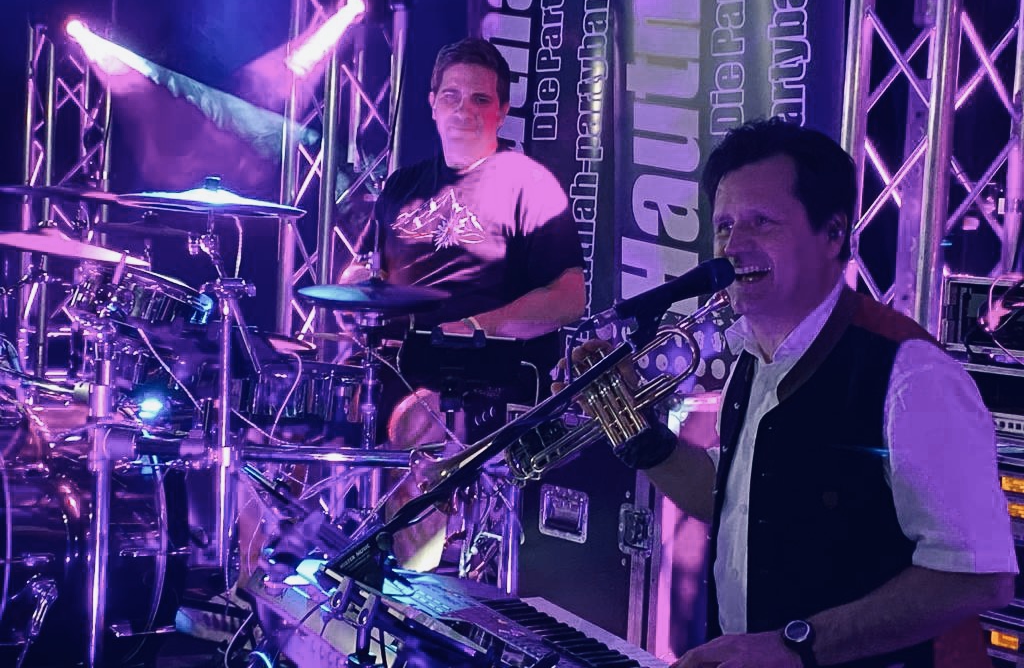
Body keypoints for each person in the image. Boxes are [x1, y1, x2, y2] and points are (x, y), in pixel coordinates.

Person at [572, 118, 1015, 667]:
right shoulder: (752, 360)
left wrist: (793, 646)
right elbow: (732, 500)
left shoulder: (911, 374)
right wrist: (635, 432)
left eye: (762, 222)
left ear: (833, 234)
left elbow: (978, 578)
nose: (734, 247)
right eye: (724, 226)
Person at [344, 37, 586, 569]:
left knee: (415, 422)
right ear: (432, 103)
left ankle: (413, 591)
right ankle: (264, 585)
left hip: (480, 375)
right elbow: (369, 273)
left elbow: (570, 298)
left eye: (480, 99)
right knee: (287, 413)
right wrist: (356, 287)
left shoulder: (529, 186)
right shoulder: (404, 185)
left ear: (502, 110)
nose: (464, 110)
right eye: (451, 96)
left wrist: (480, 325)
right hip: (395, 363)